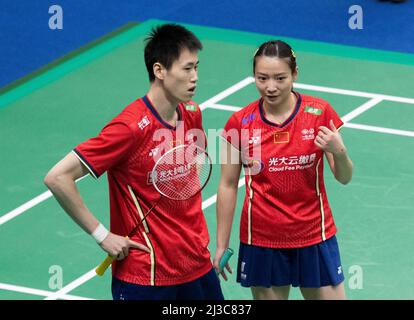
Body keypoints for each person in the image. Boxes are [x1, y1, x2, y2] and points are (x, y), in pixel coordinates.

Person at [44, 24, 223, 300]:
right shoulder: (129, 129)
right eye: (187, 69)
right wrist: (102, 235)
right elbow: (58, 177)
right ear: (159, 70)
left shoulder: (191, 113)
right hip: (147, 275)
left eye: (196, 67)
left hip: (196, 265)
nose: (195, 78)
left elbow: (188, 178)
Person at [213, 40, 353, 300]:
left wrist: (339, 151)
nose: (270, 87)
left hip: (314, 234)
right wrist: (221, 244)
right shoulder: (239, 122)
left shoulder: (320, 113)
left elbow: (344, 177)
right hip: (263, 240)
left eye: (280, 78)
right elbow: (228, 185)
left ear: (295, 74)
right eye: (262, 78)